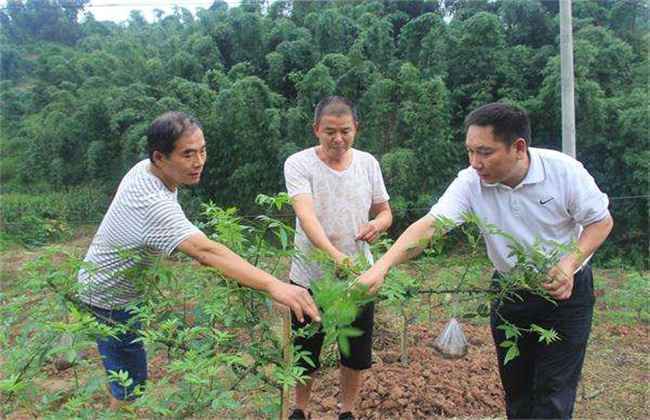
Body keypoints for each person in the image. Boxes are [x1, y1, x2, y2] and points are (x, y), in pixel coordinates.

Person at [358, 103, 613, 419]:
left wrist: (568, 263)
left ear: (518, 147)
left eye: (485, 152)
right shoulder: (470, 182)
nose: (475, 163)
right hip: (510, 293)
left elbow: (601, 222)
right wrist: (382, 266)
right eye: (470, 152)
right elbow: (431, 226)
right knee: (516, 391)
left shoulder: (564, 172)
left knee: (553, 395)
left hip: (566, 294)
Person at [77, 111, 320, 408]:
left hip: (114, 288)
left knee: (123, 371)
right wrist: (273, 285)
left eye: (202, 150)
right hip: (110, 298)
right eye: (187, 154)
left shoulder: (146, 170)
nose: (199, 161)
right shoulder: (152, 203)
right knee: (130, 385)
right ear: (159, 157)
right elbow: (206, 252)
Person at [284, 96, 392, 420]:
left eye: (345, 131)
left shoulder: (368, 163)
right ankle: (300, 410)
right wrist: (335, 256)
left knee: (354, 352)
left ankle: (347, 411)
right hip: (309, 276)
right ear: (316, 129)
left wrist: (376, 224)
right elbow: (307, 217)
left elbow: (386, 211)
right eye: (330, 131)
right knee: (306, 350)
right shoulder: (299, 164)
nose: (338, 139)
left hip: (358, 275)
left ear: (356, 128)